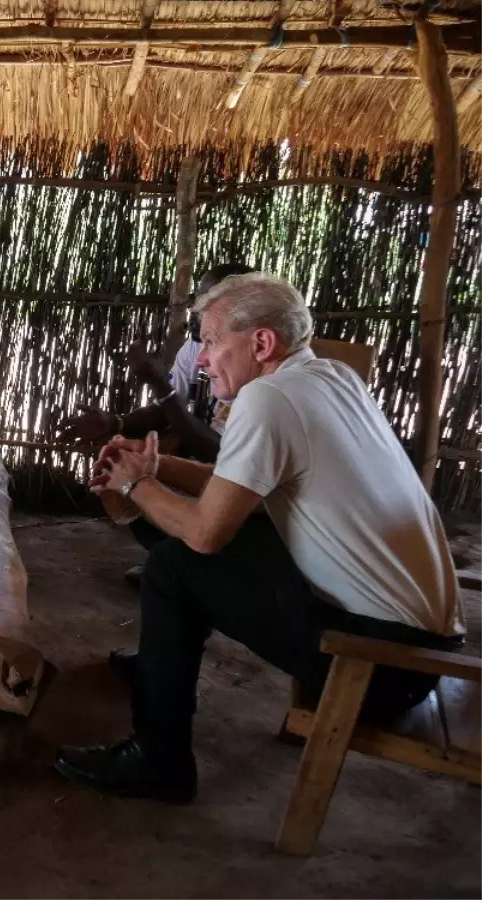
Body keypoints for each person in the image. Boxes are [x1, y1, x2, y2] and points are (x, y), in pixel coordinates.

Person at [55, 273, 464, 804]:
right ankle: (160, 666)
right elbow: (241, 486)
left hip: (380, 666)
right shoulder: (331, 376)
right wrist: (159, 466)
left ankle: (160, 761)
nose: (201, 359)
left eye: (211, 342)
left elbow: (205, 532)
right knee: (208, 548)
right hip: (419, 649)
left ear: (262, 343)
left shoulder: (268, 398)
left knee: (176, 565)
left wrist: (137, 483)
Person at [59, 263, 257, 465]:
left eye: (207, 301)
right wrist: (116, 423)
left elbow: (224, 456)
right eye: (197, 298)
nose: (194, 308)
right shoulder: (193, 348)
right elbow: (166, 411)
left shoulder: (259, 372)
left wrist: (160, 385)